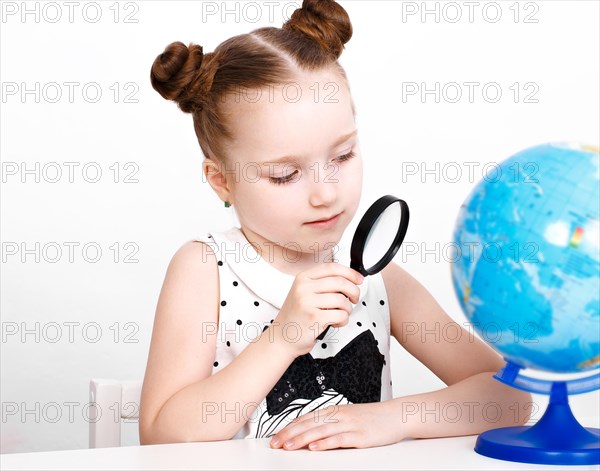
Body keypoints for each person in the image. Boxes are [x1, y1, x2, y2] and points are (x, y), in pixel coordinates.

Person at [139, 0, 532, 451]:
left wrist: (394, 418)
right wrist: (283, 337)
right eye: (285, 175)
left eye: (342, 155)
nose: (325, 193)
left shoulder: (377, 278)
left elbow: (510, 396)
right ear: (221, 179)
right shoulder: (205, 269)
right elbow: (162, 435)